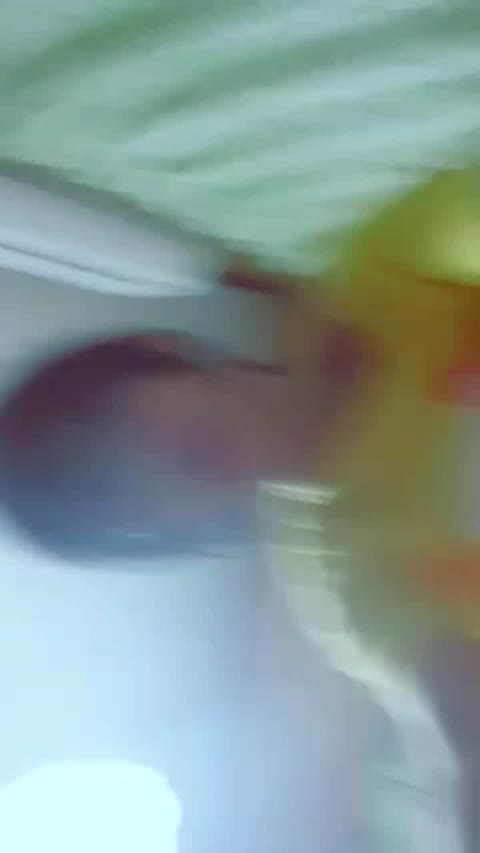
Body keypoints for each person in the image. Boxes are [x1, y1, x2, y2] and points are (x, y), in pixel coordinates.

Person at [0, 265, 385, 851]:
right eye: (109, 498)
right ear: (167, 537)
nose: (139, 468)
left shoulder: (361, 295)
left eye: (102, 429)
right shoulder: (353, 581)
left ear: (162, 351)